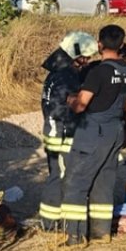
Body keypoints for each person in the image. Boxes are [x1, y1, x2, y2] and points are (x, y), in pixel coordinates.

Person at [59, 24, 126, 245]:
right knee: (104, 182)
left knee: (75, 183)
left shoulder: (98, 72)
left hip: (93, 131)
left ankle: (74, 236)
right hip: (115, 131)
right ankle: (101, 233)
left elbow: (81, 105)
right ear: (122, 45)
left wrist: (68, 99)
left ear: (99, 45)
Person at [38, 31, 99, 232]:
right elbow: (75, 105)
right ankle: (50, 224)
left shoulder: (57, 73)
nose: (88, 60)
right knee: (61, 175)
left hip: (53, 129)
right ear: (77, 54)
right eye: (87, 57)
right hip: (62, 132)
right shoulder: (67, 76)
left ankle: (50, 221)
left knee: (57, 173)